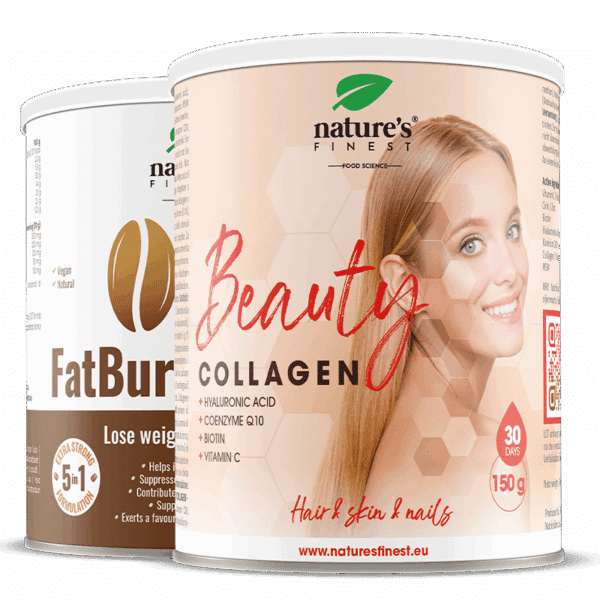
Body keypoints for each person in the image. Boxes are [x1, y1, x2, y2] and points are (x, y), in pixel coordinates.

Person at [312, 116, 529, 536]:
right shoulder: (487, 458)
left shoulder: (393, 440)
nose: (510, 271)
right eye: (471, 244)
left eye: (512, 230)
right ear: (405, 285)